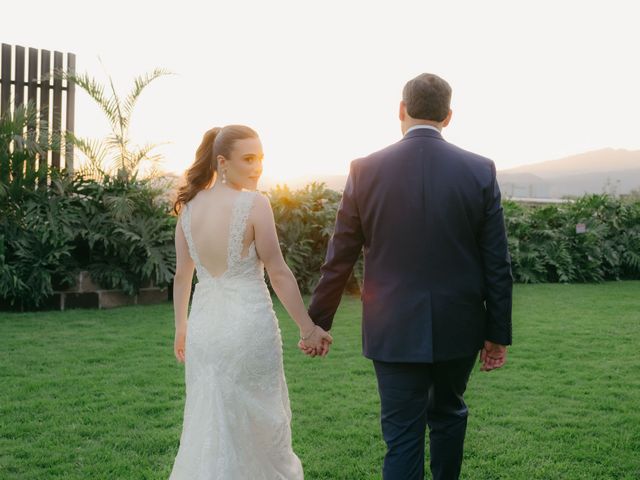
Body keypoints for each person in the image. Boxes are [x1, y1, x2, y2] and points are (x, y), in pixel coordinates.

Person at [303, 73, 513, 480]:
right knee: (450, 416)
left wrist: (317, 323)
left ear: (401, 110)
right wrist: (497, 332)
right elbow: (497, 262)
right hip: (460, 325)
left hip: (391, 326)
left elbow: (340, 255)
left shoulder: (364, 170)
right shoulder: (480, 170)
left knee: (402, 435)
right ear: (448, 117)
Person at [169, 125, 332, 479]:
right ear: (223, 162)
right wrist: (308, 328)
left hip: (203, 329)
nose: (257, 167)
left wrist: (181, 328)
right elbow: (279, 272)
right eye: (248, 159)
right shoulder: (255, 204)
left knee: (210, 420)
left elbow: (183, 277)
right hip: (247, 327)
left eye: (260, 158)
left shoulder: (188, 210)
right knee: (258, 420)